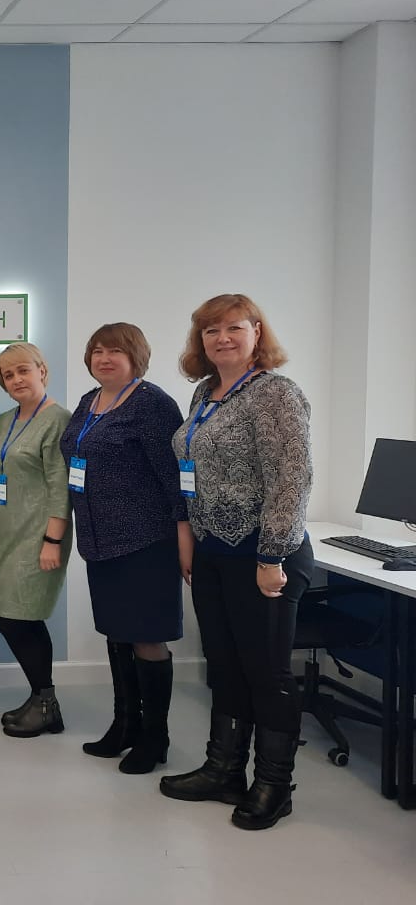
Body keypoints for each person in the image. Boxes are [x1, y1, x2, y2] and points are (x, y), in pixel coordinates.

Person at [160, 294, 312, 831]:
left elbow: (291, 479)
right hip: (212, 553)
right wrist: (188, 538)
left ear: (256, 333)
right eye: (210, 331)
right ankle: (223, 770)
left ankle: (274, 785)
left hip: (263, 556)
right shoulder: (205, 393)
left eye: (233, 328)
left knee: (266, 673)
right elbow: (189, 475)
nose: (221, 338)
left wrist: (272, 555)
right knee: (223, 665)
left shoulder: (275, 394)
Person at [59, 323, 185, 774]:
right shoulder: (89, 402)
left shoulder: (152, 404)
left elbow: (175, 478)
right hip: (99, 541)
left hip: (146, 541)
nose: (104, 358)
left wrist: (184, 537)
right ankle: (125, 725)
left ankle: (155, 737)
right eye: (97, 351)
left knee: (147, 636)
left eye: (115, 350)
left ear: (136, 357)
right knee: (117, 632)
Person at [0, 342, 73, 738]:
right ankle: (40, 698)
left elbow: (61, 484)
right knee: (16, 617)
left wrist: (53, 539)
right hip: (7, 532)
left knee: (18, 619)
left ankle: (46, 702)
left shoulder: (58, 420)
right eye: (8, 375)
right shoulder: (4, 421)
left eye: (23, 370)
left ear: (42, 370)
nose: (16, 379)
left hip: (39, 533)